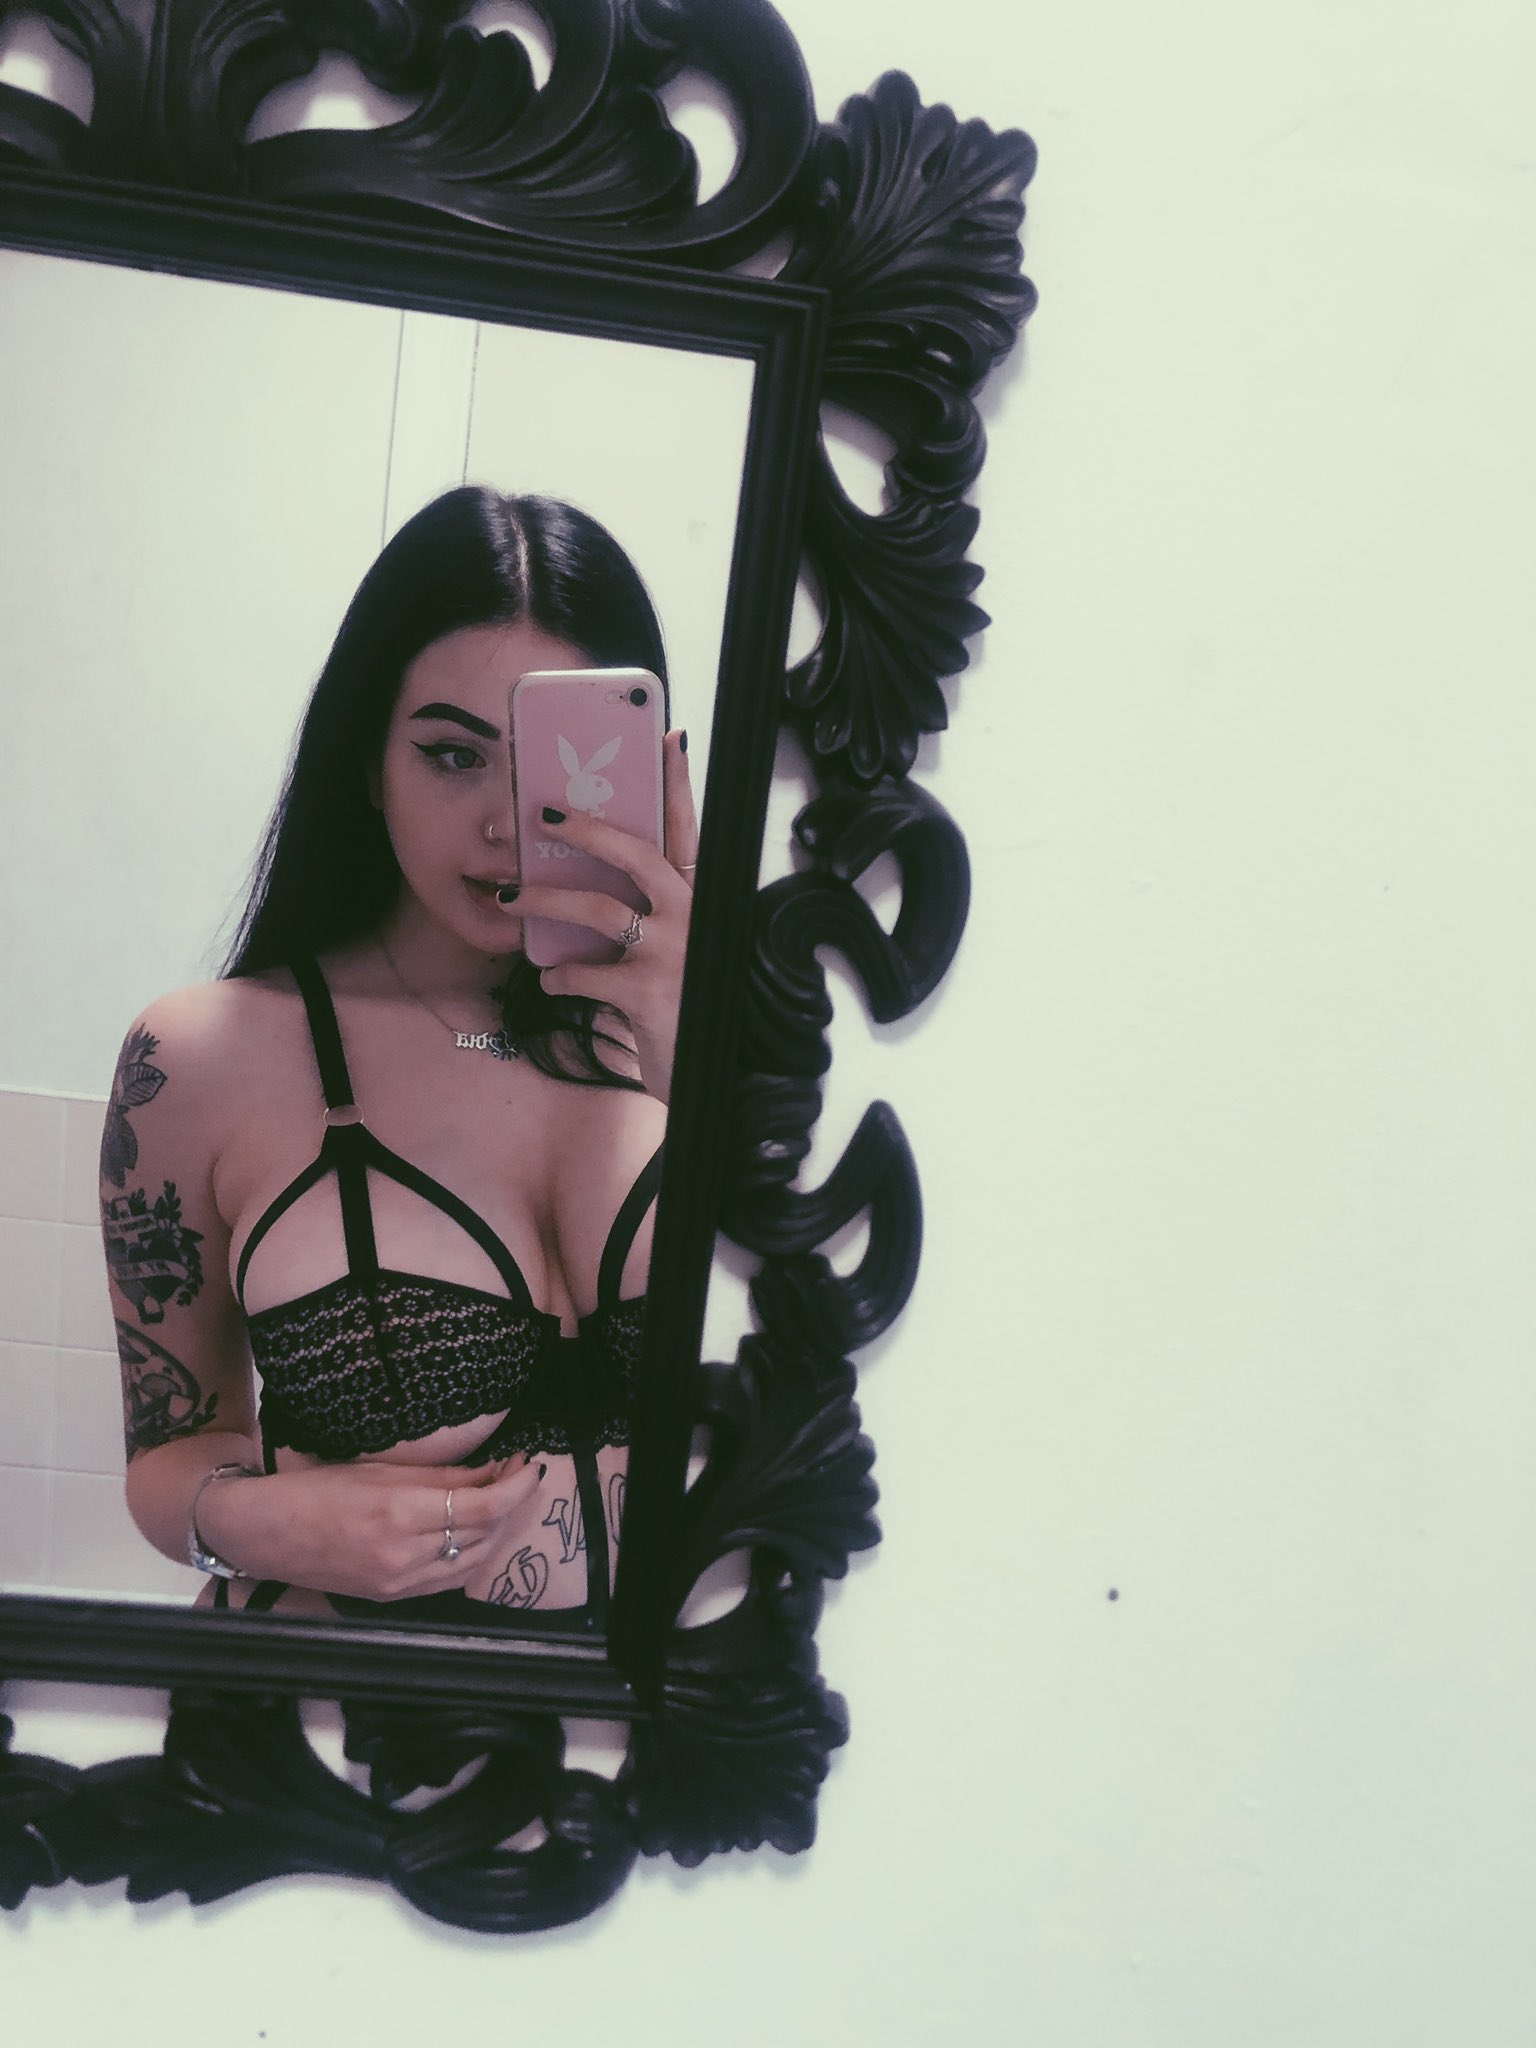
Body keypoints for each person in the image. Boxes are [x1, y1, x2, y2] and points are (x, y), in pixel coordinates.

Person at [99, 486, 697, 1628]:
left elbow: (810, 1378)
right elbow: (170, 1453)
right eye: (452, 755)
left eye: (559, 770)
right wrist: (262, 1520)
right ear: (369, 762)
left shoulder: (725, 1043)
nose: (507, 825)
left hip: (672, 1728)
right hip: (322, 1716)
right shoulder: (202, 1059)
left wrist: (700, 1042)